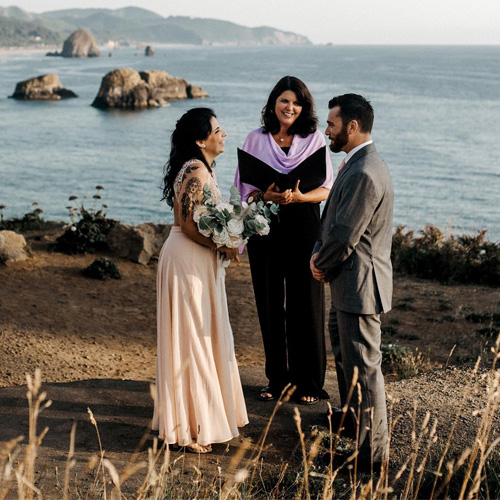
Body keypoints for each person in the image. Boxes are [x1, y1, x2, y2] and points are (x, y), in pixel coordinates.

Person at [153, 108, 248, 453]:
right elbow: (189, 223)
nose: (223, 135)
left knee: (197, 335)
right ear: (199, 140)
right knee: (193, 337)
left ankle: (196, 418)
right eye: (217, 130)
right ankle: (192, 429)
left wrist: (224, 242)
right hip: (188, 257)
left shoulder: (200, 168)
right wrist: (225, 243)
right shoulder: (195, 170)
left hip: (193, 257)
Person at [235, 76, 333, 405]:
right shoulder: (255, 139)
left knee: (307, 302)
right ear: (273, 103)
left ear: (303, 107)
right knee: (270, 303)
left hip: (304, 225)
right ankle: (277, 381)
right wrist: (267, 194)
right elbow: (244, 191)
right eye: (283, 100)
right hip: (266, 226)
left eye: (296, 102)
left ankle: (308, 382)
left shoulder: (315, 139)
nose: (289, 107)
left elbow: (326, 188)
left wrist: (299, 197)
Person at [310, 94, 393, 469]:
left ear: (352, 127)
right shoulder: (355, 162)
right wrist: (318, 253)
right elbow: (332, 221)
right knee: (347, 363)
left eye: (331, 124)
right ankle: (353, 430)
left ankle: (371, 460)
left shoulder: (363, 170)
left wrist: (319, 263)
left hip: (359, 286)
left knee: (365, 371)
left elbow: (346, 234)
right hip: (347, 283)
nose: (326, 130)